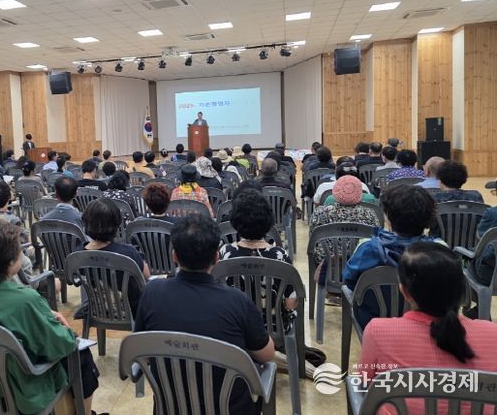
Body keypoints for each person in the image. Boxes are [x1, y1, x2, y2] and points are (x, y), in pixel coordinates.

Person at [0, 219, 100, 415]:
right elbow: (62, 345)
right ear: (11, 262)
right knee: (81, 354)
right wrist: (66, 332)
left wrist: (41, 316)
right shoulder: (26, 300)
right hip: (18, 394)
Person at [134, 214, 275, 414]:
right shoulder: (237, 301)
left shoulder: (151, 293)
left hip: (171, 407)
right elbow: (267, 354)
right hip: (230, 409)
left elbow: (143, 352)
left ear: (174, 256)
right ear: (216, 257)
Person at [358, 242, 497, 413]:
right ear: (462, 289)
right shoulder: (493, 334)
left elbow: (364, 385)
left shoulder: (378, 332)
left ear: (404, 291)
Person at [343, 184, 441, 329]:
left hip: (373, 321)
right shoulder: (440, 250)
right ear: (430, 218)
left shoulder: (368, 248)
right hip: (427, 324)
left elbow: (349, 280)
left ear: (388, 217)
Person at [82, 198, 150, 315]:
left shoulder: (78, 254)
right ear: (117, 223)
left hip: (97, 311)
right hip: (131, 311)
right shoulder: (128, 253)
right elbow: (146, 275)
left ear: (86, 223)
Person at [309, 176, 380, 286]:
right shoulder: (370, 214)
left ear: (335, 192)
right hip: (361, 265)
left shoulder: (320, 213)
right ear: (360, 193)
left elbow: (313, 241)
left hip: (327, 264)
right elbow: (377, 240)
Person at [469, 182, 497, 288]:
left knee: (463, 257)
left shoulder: (492, 213)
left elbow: (481, 238)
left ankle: (467, 293)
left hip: (489, 273)